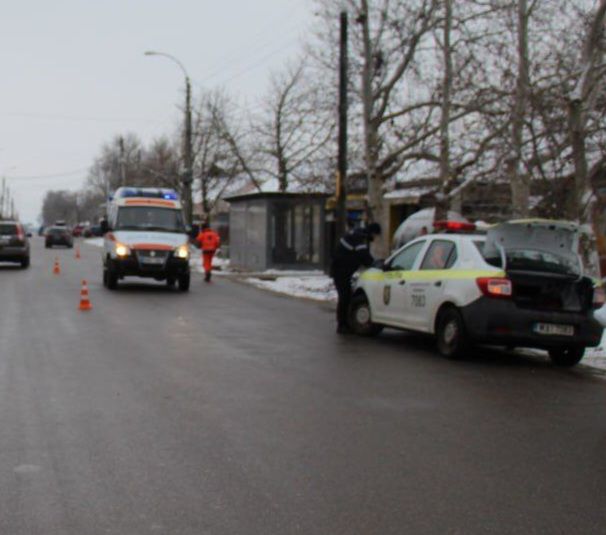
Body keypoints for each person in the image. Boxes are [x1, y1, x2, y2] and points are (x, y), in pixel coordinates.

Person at [330, 222, 382, 334]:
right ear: (372, 232)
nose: (375, 238)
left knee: (347, 296)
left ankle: (345, 323)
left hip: (341, 270)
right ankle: (342, 325)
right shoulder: (360, 238)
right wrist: (378, 265)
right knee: (344, 297)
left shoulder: (358, 234)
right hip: (341, 271)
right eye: (376, 235)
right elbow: (365, 257)